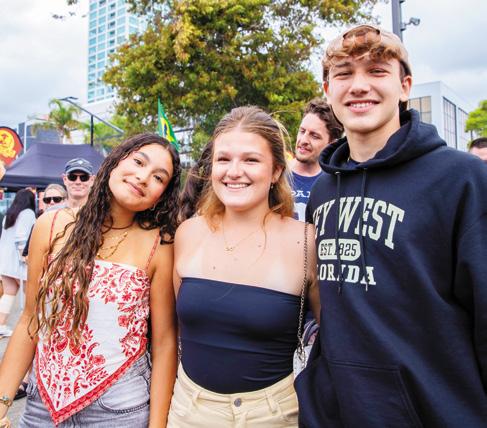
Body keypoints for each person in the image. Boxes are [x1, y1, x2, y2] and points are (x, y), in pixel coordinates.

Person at [295, 24, 487, 427]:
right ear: (328, 90)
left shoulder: (464, 180)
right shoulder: (324, 191)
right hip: (337, 413)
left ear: (404, 86)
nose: (359, 85)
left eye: (377, 71)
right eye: (344, 74)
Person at [0, 133, 181, 427]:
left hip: (120, 411)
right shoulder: (51, 225)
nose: (143, 177)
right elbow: (30, 320)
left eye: (159, 177)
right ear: (115, 161)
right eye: (138, 162)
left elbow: (164, 343)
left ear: (162, 195)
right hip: (42, 407)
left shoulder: (160, 246)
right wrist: (2, 401)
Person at [169, 106, 319, 427]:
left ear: (276, 171)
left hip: (274, 415)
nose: (234, 171)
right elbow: (174, 330)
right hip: (187, 411)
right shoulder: (187, 234)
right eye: (223, 159)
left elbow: (333, 339)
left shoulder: (307, 242)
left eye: (251, 160)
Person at [290, 99, 343, 221]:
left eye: (314, 136)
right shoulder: (275, 176)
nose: (303, 140)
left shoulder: (335, 185)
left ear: (331, 144)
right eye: (302, 131)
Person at [0, 189, 36, 337]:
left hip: (5, 260)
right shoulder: (28, 213)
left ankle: (1, 325)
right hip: (18, 262)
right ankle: (31, 326)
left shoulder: (9, 215)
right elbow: (21, 238)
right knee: (32, 294)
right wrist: (25, 258)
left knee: (9, 293)